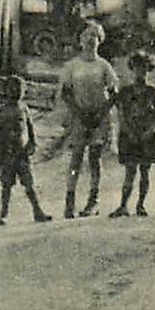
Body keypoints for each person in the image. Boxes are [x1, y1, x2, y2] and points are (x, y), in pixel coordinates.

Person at [59, 20, 120, 218]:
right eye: (87, 35)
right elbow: (66, 93)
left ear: (100, 40)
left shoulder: (104, 66)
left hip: (98, 118)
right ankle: (70, 202)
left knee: (94, 159)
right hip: (79, 116)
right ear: (80, 39)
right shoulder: (72, 66)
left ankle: (93, 201)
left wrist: (101, 112)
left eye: (94, 36)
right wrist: (78, 112)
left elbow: (114, 93)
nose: (90, 39)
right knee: (76, 158)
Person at [110, 50, 155, 218]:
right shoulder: (125, 92)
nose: (140, 72)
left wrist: (149, 131)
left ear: (148, 70)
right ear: (132, 69)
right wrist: (128, 131)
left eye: (143, 68)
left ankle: (140, 205)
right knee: (129, 171)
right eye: (136, 68)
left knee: (145, 171)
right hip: (130, 134)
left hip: (147, 135)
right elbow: (121, 114)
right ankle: (123, 205)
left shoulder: (153, 92)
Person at [0, 76, 53, 225]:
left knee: (29, 185)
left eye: (19, 89)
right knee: (6, 186)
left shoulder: (24, 109)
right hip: (6, 154)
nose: (15, 92)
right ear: (5, 91)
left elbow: (30, 128)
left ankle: (37, 211)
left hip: (22, 154)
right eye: (11, 89)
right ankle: (3, 214)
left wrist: (32, 144)